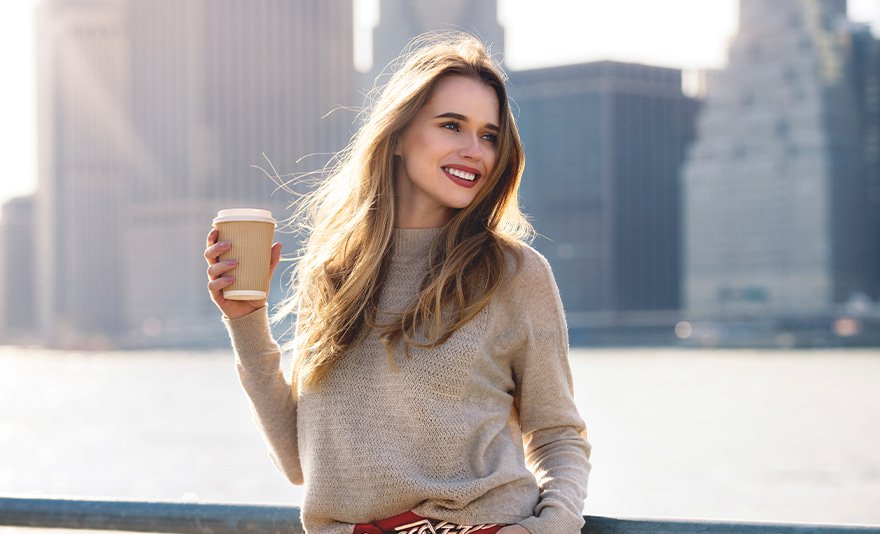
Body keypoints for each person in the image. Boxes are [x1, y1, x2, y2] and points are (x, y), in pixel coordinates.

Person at [204, 32, 591, 534]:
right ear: (400, 136)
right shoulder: (336, 269)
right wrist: (245, 322)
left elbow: (558, 433)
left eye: (489, 135)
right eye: (452, 125)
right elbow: (300, 462)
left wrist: (545, 530)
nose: (474, 150)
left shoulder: (515, 273)